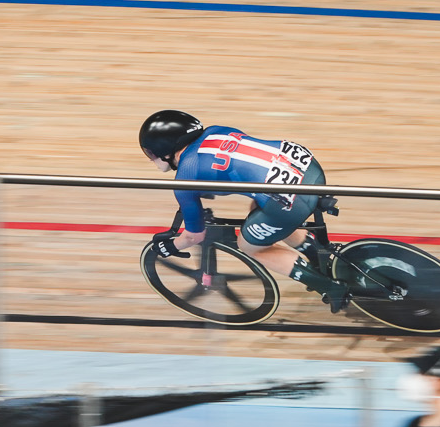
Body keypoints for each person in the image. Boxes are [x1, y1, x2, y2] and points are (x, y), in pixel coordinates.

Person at [137, 110, 350, 311]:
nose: (151, 157)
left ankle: (331, 288)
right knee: (261, 211)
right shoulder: (216, 130)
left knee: (250, 245)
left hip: (290, 198)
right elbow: (236, 166)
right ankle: (319, 258)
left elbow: (194, 236)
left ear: (164, 150)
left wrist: (170, 246)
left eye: (150, 153)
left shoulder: (185, 176)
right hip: (307, 165)